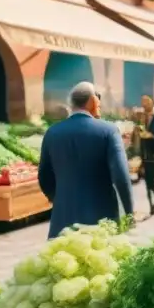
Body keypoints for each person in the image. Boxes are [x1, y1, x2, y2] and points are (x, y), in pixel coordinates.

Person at [38, 82, 134, 238]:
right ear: (92, 101)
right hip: (101, 221)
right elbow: (121, 176)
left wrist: (60, 199)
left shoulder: (52, 133)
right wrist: (129, 213)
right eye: (98, 100)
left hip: (63, 222)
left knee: (62, 261)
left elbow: (44, 177)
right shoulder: (108, 131)